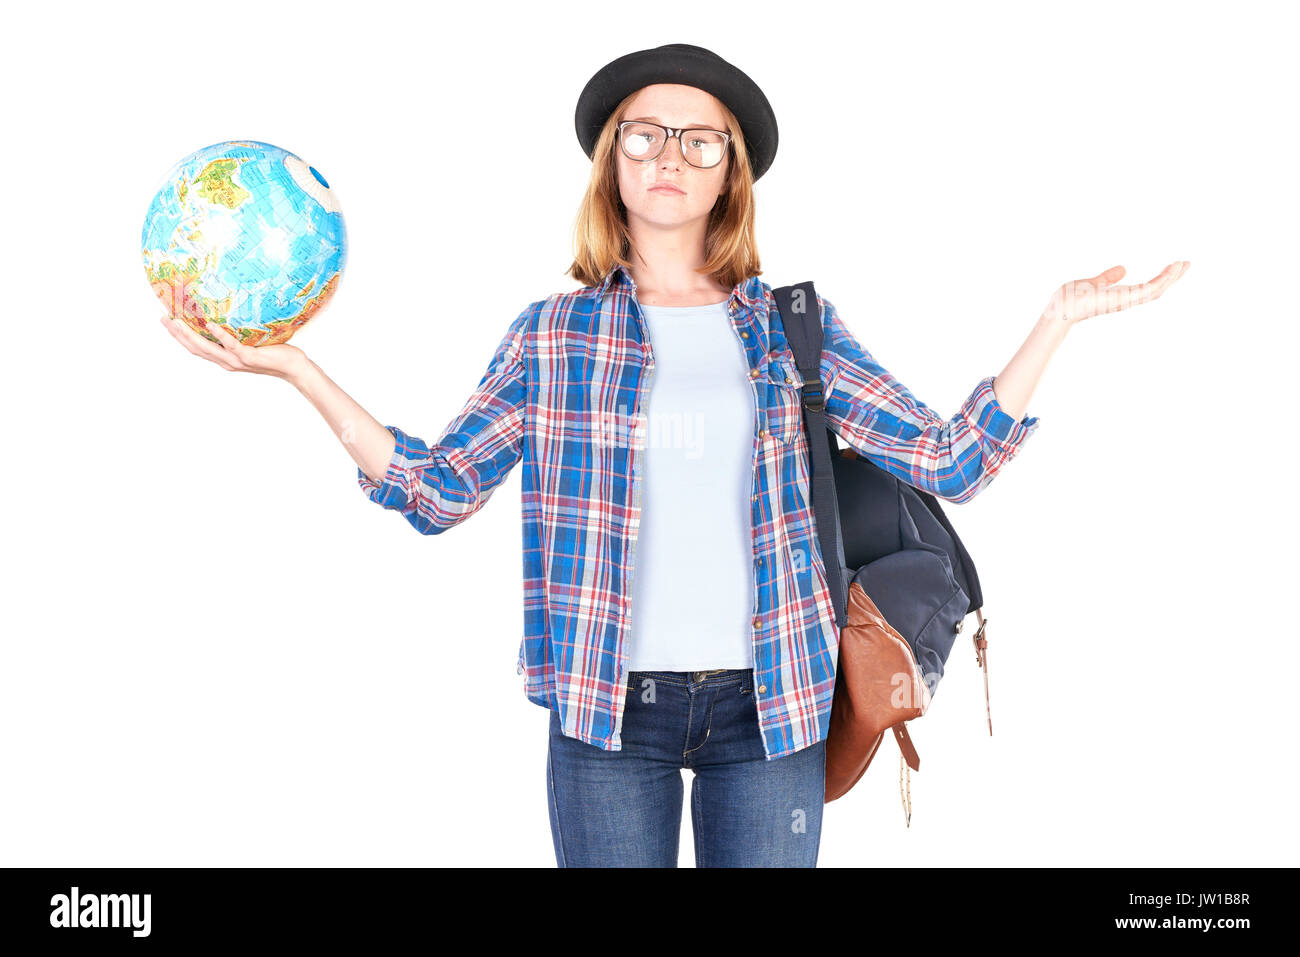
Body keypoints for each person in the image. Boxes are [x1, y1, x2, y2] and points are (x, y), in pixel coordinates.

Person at [159, 43, 1189, 868]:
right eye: (644, 133)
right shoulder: (552, 333)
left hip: (773, 700)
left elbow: (950, 460)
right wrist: (298, 372)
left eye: (701, 141)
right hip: (609, 710)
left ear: (731, 172)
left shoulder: (795, 325)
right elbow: (436, 491)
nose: (669, 155)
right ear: (611, 158)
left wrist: (1057, 322)